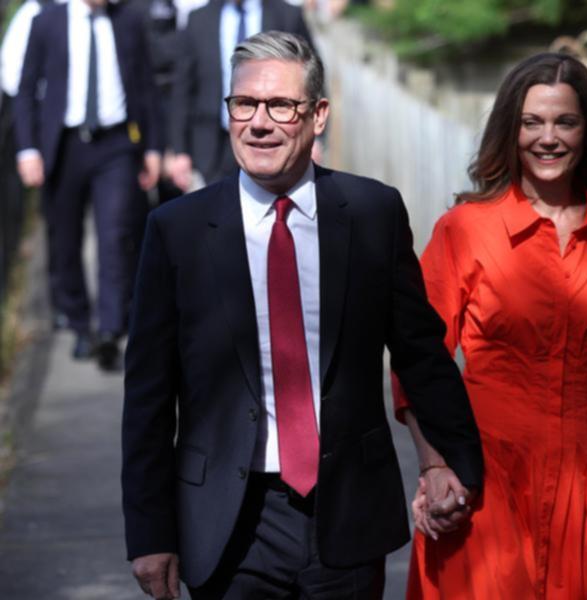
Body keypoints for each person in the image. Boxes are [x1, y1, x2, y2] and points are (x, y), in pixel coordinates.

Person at [121, 31, 483, 600]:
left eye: (280, 106)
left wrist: (456, 464)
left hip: (346, 515)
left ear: (317, 116)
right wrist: (148, 533)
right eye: (244, 104)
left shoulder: (371, 213)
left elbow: (419, 352)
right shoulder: (178, 231)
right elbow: (147, 395)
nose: (258, 122)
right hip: (227, 521)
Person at [393, 52, 587, 599]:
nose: (547, 138)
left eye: (565, 122)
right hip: (483, 476)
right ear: (511, 129)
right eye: (532, 122)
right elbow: (418, 361)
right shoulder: (464, 229)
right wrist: (433, 466)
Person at [14, 0, 161, 368]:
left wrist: (154, 147)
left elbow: (145, 86)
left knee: (115, 234)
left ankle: (111, 328)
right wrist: (28, 149)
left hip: (116, 145)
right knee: (65, 238)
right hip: (64, 146)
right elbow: (27, 89)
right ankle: (80, 324)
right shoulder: (48, 21)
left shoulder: (128, 20)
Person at [166, 0, 314, 192]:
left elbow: (310, 79)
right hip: (212, 148)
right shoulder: (199, 19)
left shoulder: (287, 16)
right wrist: (180, 150)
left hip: (271, 142)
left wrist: (313, 139)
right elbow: (183, 88)